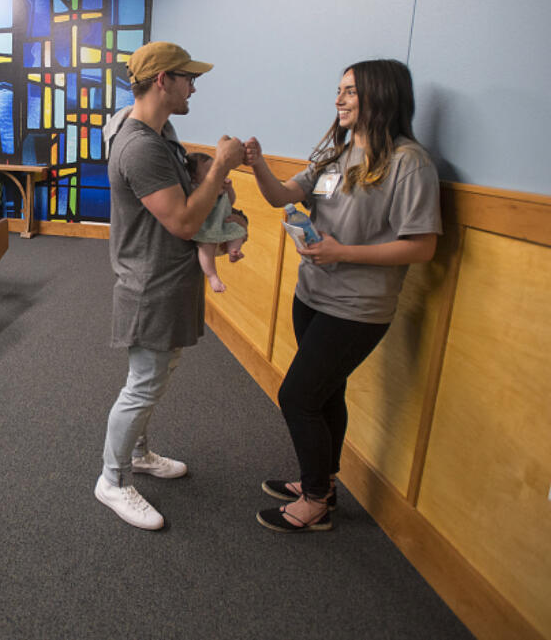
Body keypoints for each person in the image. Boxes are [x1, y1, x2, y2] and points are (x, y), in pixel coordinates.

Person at [244, 59, 441, 532]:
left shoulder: (409, 163)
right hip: (311, 295)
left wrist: (342, 252)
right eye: (339, 90)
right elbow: (282, 195)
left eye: (350, 91)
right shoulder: (336, 153)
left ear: (381, 95)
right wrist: (258, 165)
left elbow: (423, 246)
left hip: (358, 309)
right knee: (327, 393)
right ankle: (323, 483)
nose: (339, 99)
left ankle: (314, 503)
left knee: (297, 396)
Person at [96, 41, 244, 530]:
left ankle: (136, 455)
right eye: (187, 78)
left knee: (154, 378)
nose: (194, 87)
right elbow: (182, 220)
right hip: (150, 285)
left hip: (169, 279)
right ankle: (112, 480)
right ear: (163, 80)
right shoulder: (140, 145)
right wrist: (219, 166)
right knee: (142, 386)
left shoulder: (159, 132)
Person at [184, 151, 248, 292]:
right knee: (207, 246)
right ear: (194, 178)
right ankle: (212, 275)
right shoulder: (196, 190)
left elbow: (231, 202)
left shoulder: (221, 185)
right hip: (207, 227)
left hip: (223, 222)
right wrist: (212, 191)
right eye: (209, 171)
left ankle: (234, 251)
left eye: (216, 169)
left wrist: (229, 189)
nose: (216, 174)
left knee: (239, 232)